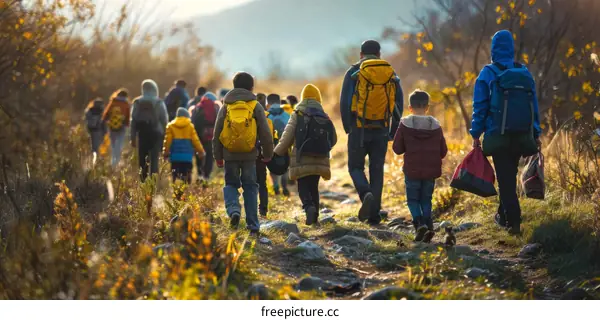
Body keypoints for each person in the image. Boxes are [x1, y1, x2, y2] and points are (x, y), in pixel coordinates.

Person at [471, 30, 542, 235]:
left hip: (498, 133)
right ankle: (503, 216)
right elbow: (533, 105)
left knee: (506, 179)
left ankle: (514, 221)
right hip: (522, 134)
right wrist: (536, 132)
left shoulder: (488, 73)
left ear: (494, 48)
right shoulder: (523, 71)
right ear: (511, 48)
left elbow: (480, 106)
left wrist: (476, 133)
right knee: (508, 176)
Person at [340, 39, 404, 224]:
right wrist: (393, 130)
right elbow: (398, 102)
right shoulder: (389, 72)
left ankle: (365, 193)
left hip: (358, 129)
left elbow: (345, 101)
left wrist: (348, 126)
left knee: (355, 167)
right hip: (382, 128)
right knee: (377, 170)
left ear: (361, 54)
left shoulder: (353, 72)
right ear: (379, 54)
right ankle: (374, 215)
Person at [213, 72, 274, 235]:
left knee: (231, 184)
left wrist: (218, 157)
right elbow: (266, 133)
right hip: (249, 155)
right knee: (250, 187)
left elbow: (217, 132)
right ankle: (253, 225)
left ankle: (234, 210)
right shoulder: (255, 105)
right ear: (251, 87)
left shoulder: (226, 105)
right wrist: (268, 154)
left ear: (233, 86)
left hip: (229, 154)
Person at [274, 84, 337, 225]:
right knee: (314, 186)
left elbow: (287, 137)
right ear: (318, 98)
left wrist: (277, 152)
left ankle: (309, 208)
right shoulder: (324, 116)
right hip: (320, 158)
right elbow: (333, 139)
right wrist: (322, 148)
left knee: (303, 186)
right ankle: (315, 217)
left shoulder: (297, 114)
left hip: (301, 158)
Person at [393, 90, 447, 242]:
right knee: (426, 199)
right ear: (427, 107)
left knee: (412, 200)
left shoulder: (404, 125)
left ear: (410, 107)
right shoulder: (436, 126)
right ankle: (429, 225)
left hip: (412, 169)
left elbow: (397, 149)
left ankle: (419, 224)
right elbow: (443, 151)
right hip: (430, 170)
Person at [131, 79, 169, 182]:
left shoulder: (137, 102)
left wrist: (133, 137)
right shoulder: (159, 102)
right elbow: (164, 120)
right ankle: (153, 183)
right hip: (156, 133)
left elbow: (133, 120)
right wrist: (166, 135)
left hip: (142, 133)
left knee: (142, 158)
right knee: (154, 159)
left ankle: (143, 181)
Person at [163, 108, 206, 184]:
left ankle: (176, 193)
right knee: (186, 177)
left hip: (175, 157)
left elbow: (167, 141)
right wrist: (201, 151)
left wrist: (165, 152)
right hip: (187, 157)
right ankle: (186, 192)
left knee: (175, 176)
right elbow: (196, 140)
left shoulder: (170, 126)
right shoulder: (190, 126)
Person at [189, 92, 219, 184]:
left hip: (199, 135)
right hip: (211, 136)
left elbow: (192, 121)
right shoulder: (216, 107)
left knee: (199, 155)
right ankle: (206, 176)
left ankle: (199, 174)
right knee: (210, 156)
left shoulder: (197, 107)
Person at [267, 93, 291, 196]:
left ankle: (276, 186)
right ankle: (284, 186)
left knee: (272, 167)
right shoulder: (286, 115)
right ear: (279, 102)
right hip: (284, 145)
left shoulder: (266, 114)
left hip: (270, 145)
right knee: (285, 166)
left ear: (268, 103)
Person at [103, 89, 131, 168]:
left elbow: (106, 113)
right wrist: (127, 125)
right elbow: (128, 117)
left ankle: (113, 160)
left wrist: (105, 121)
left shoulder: (113, 102)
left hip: (112, 126)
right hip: (121, 126)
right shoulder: (126, 104)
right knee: (120, 143)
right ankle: (117, 160)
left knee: (113, 143)